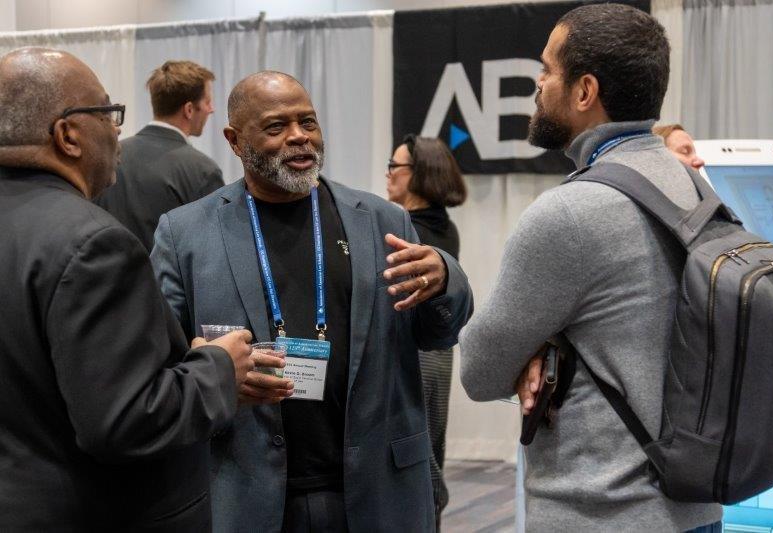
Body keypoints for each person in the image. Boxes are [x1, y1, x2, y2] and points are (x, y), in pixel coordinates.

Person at [149, 70, 473, 533]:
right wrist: (211, 373)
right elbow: (161, 361)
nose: (299, 137)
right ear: (235, 140)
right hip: (248, 492)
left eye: (308, 122)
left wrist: (445, 279)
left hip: (377, 489)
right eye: (277, 127)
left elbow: (439, 332)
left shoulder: (382, 220)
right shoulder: (185, 233)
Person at [459, 4, 722, 531]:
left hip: (603, 513)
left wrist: (544, 342)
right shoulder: (694, 186)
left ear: (584, 92)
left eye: (547, 70)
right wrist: (559, 338)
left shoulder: (571, 213)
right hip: (695, 508)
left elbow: (480, 371)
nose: (537, 85)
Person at [0, 47, 255, 531]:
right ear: (68, 135)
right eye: (107, 112)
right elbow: (125, 421)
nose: (117, 129)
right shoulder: (94, 245)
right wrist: (219, 366)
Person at [386, 133, 466, 530]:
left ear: (418, 175)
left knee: (417, 452)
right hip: (436, 352)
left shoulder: (409, 232)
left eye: (394, 167)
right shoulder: (442, 226)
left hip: (416, 351)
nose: (388, 175)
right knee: (430, 444)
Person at [95, 60, 223, 251]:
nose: (211, 109)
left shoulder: (107, 156)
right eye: (207, 101)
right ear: (189, 110)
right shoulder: (203, 171)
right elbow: (215, 249)